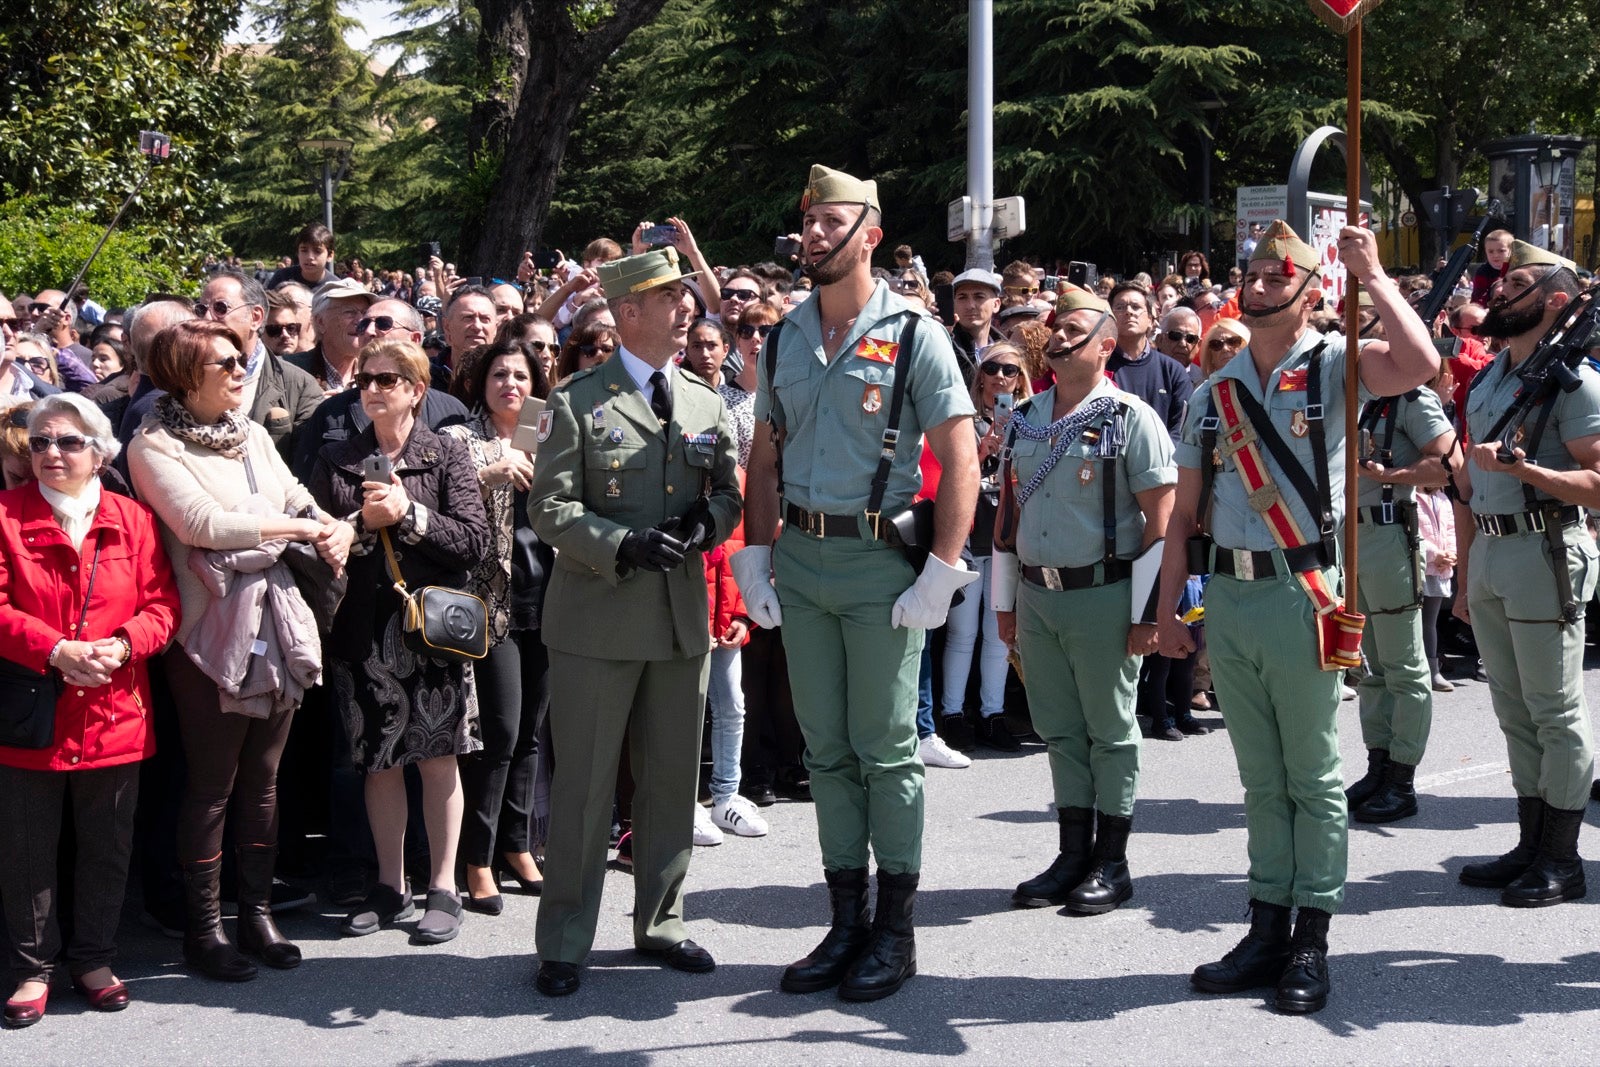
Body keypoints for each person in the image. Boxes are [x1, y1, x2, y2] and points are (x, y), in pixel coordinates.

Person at [1156, 221, 1438, 1015]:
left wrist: (1375, 276)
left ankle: (1311, 936)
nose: (1264, 278)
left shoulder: (1337, 362)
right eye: (1255, 269)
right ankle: (1266, 923)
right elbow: (1182, 518)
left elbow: (1422, 365)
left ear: (1313, 291)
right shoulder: (1213, 389)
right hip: (1232, 596)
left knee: (1312, 778)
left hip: (1303, 589)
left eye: (1283, 272)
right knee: (1259, 778)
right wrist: (1169, 610)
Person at [733, 164, 979, 1002]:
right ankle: (845, 919)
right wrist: (757, 556)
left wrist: (942, 572)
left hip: (881, 565)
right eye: (806, 222)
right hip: (802, 561)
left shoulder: (914, 334)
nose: (810, 235)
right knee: (828, 751)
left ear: (868, 234)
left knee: (886, 750)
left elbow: (960, 458)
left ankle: (896, 930)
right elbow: (762, 456)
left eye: (828, 222)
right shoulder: (784, 335)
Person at [528, 247, 742, 997]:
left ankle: (661, 921)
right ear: (627, 312)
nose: (687, 308)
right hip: (597, 619)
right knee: (586, 787)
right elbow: (548, 507)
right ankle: (564, 938)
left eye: (687, 296)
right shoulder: (577, 399)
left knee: (669, 781)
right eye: (669, 297)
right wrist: (623, 542)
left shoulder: (706, 399)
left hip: (679, 618)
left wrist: (703, 524)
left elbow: (728, 494)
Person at [127, 320, 356, 982]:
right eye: (226, 362)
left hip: (276, 622)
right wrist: (300, 528)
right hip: (206, 635)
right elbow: (201, 526)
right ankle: (204, 931)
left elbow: (294, 494)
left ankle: (256, 916)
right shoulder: (154, 446)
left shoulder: (253, 433)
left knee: (264, 779)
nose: (240, 369)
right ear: (184, 373)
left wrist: (331, 528)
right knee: (212, 784)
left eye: (240, 359)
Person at [990, 284, 1175, 912]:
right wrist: (1005, 603)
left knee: (1111, 731)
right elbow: (1007, 519)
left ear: (1106, 347)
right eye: (1056, 328)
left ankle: (1112, 862)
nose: (1059, 337)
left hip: (1103, 596)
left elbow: (1161, 523)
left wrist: (1147, 616)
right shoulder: (1024, 418)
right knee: (1060, 730)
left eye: (1076, 330)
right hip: (1039, 597)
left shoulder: (1130, 419)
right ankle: (1072, 854)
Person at [0, 394, 179, 1027]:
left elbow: (162, 606)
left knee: (107, 845)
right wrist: (56, 650)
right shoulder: (3, 514)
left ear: (99, 454)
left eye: (69, 442)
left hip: (115, 704)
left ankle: (95, 959)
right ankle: (31, 968)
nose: (51, 452)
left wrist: (124, 645)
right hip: (32, 711)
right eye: (41, 441)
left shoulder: (132, 518)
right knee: (26, 848)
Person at [309, 339, 487, 946]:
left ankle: (443, 886)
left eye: (389, 379)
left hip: (431, 630)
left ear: (416, 389)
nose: (374, 389)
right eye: (366, 380)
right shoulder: (337, 460)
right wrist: (358, 526)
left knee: (438, 759)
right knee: (378, 762)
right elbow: (317, 544)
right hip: (361, 630)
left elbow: (472, 542)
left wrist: (408, 513)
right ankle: (390, 885)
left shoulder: (445, 455)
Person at [1451, 240, 1600, 909]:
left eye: (1516, 282)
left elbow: (1596, 483)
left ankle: (1562, 858)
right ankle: (1531, 841)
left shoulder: (1578, 383)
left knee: (1555, 711)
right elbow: (1469, 477)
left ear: (1557, 301)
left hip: (1544, 551)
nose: (1498, 290)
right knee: (1514, 712)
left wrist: (1529, 471)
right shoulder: (1494, 375)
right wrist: (1461, 570)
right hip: (1489, 552)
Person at [442, 340, 553, 914]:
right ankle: (476, 860)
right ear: (482, 383)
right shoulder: (462, 437)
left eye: (521, 375)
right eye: (500, 374)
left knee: (532, 733)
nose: (511, 383)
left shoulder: (543, 426)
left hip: (550, 599)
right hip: (492, 604)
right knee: (501, 735)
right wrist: (491, 470)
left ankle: (517, 846)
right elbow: (441, 499)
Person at [1343, 365, 1457, 824]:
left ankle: (1402, 779)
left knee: (1405, 668)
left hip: (1388, 534)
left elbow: (1449, 465)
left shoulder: (1411, 400)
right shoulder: (1348, 395)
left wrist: (1391, 472)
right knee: (1369, 666)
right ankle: (1379, 764)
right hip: (1346, 538)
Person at [939, 341, 1032, 752]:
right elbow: (948, 476)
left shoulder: (1031, 419)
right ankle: (953, 713)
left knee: (999, 636)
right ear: (978, 376)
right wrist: (981, 450)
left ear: (1021, 377)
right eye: (992, 369)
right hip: (970, 537)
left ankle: (993, 714)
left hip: (1006, 543)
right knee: (962, 633)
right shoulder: (963, 418)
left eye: (1009, 370)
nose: (1000, 377)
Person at [1106, 283, 1194, 443]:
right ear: (1109, 318)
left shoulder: (1172, 371)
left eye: (1136, 306)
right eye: (1120, 307)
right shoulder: (1098, 366)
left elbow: (1181, 430)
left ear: (1150, 320)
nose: (1128, 312)